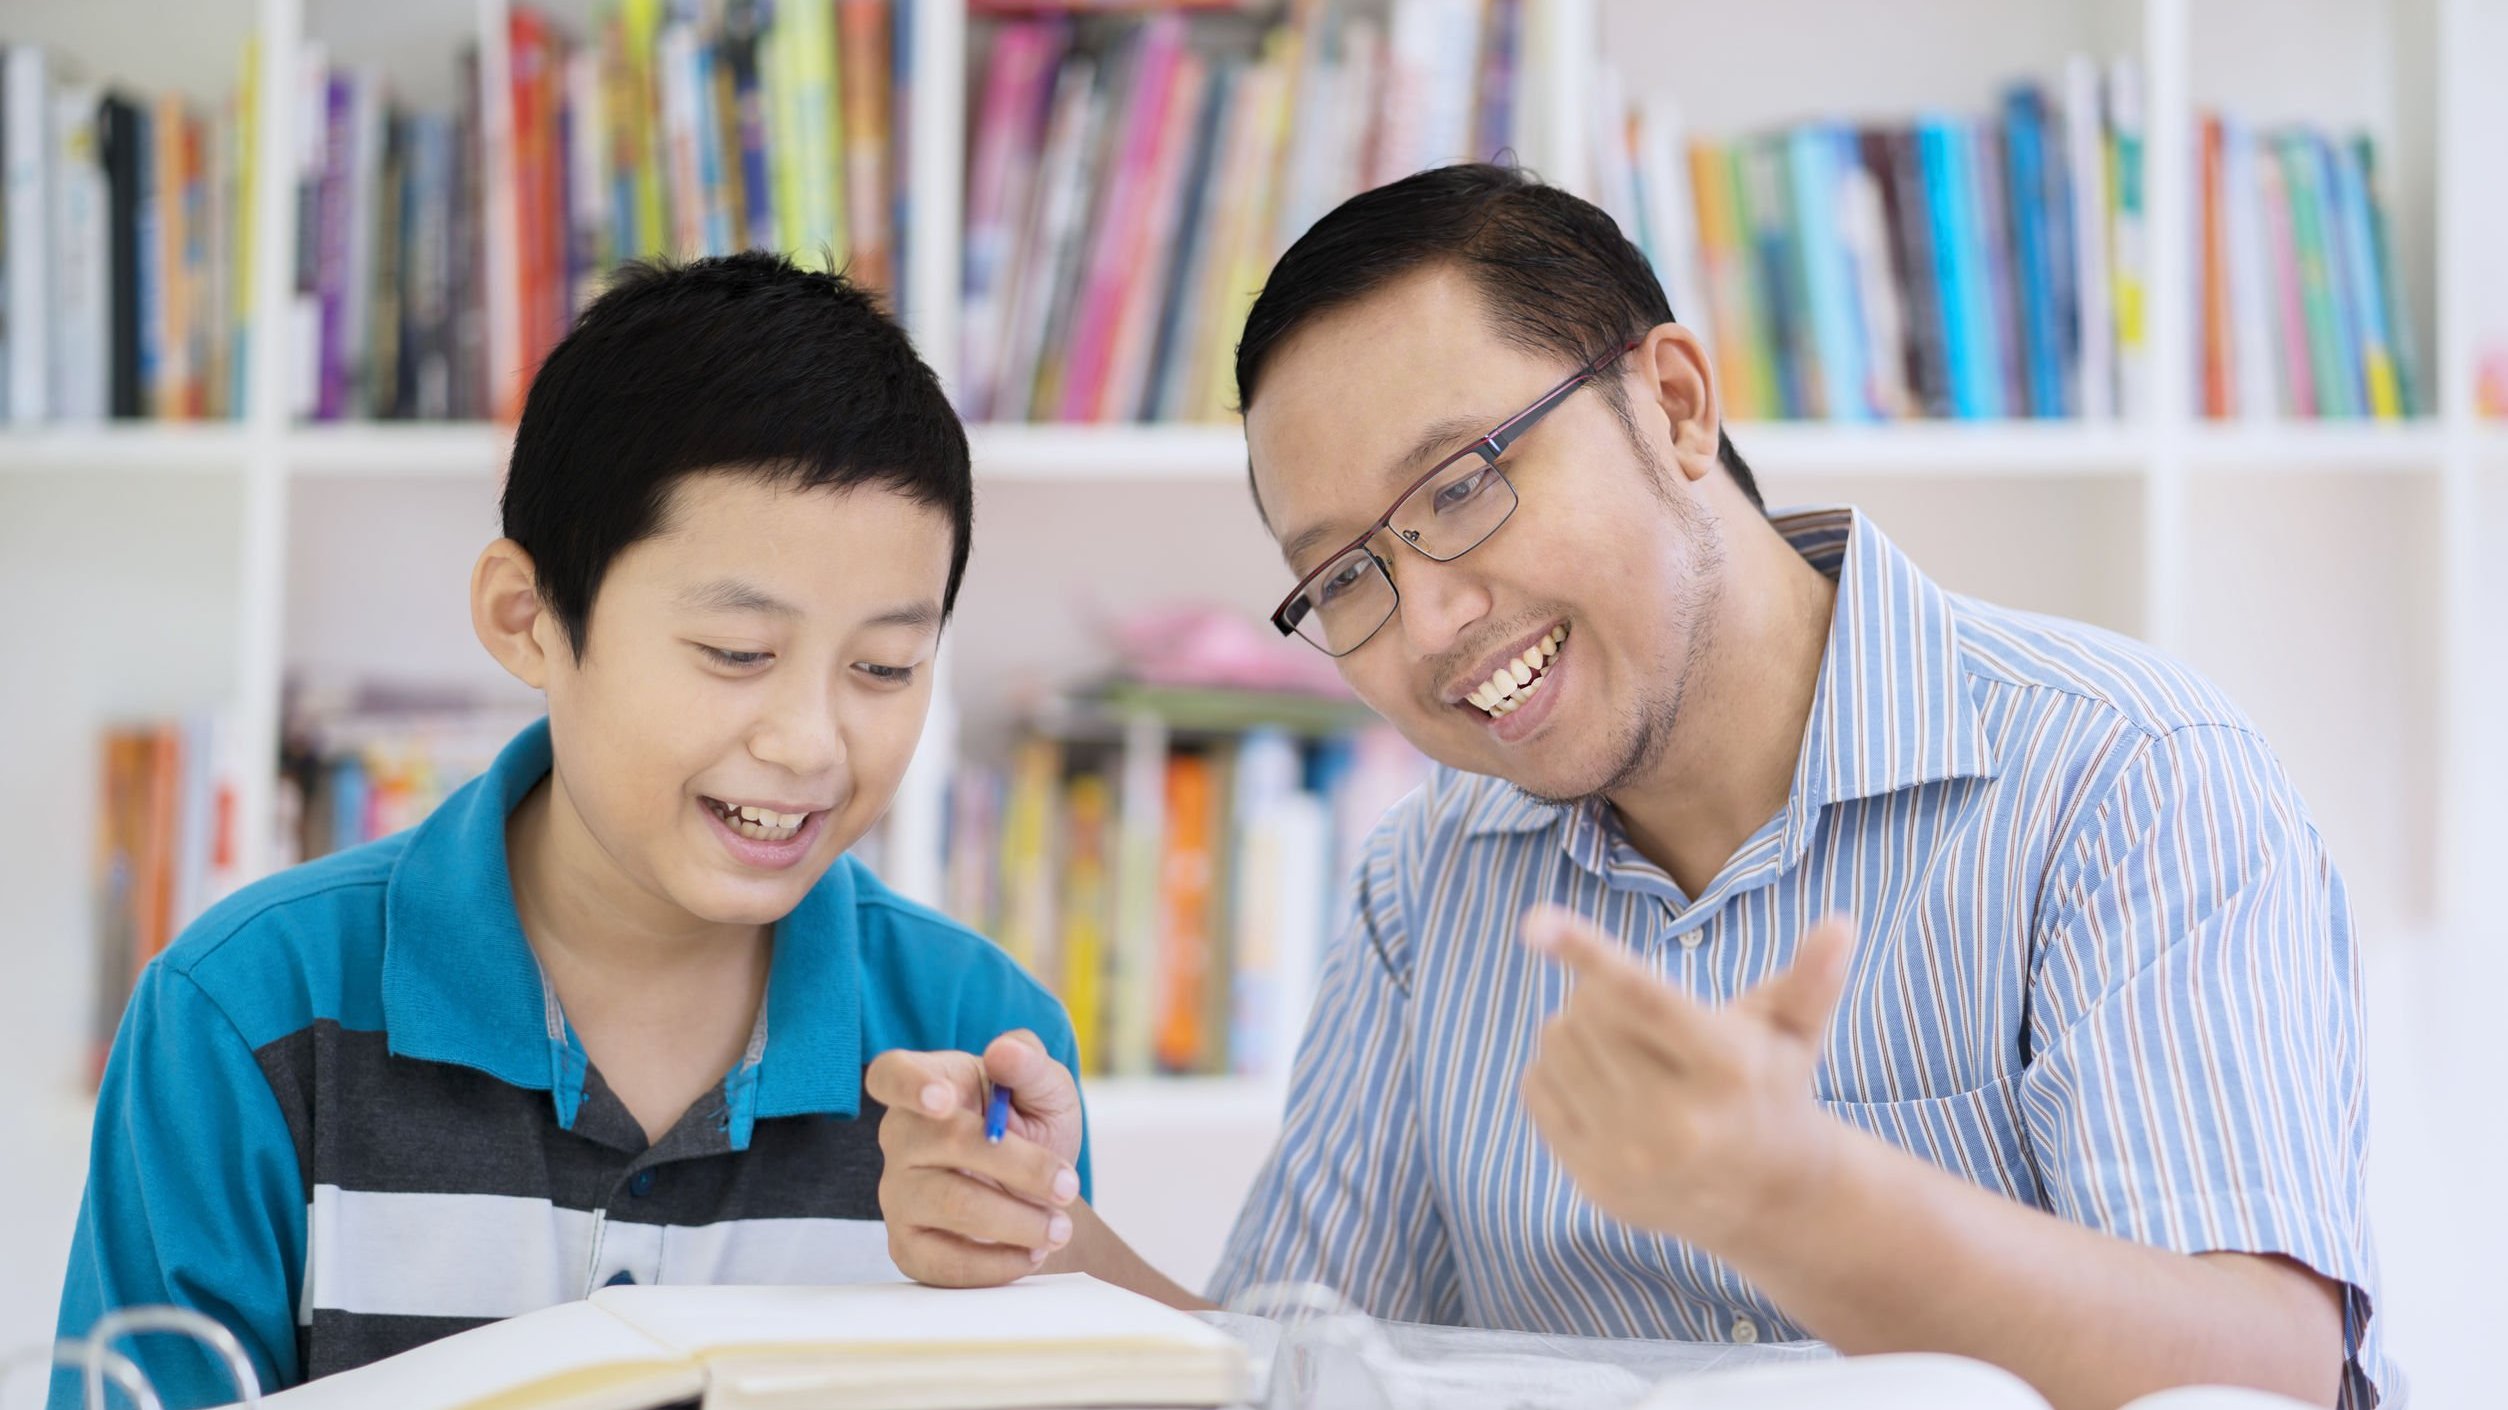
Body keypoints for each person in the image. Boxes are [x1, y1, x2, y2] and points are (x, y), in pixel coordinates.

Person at [873, 166, 2388, 1410]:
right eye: (1345, 576)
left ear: (1673, 404)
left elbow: (2268, 1370)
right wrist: (1057, 1250)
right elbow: (1288, 1368)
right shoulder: (1428, 882)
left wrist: (1810, 1200)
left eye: (1462, 484)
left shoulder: (2119, 774)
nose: (1435, 621)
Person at [52, 252, 1091, 1405]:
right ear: (527, 618)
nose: (811, 741)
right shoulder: (248, 1015)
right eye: (737, 653)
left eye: (885, 667)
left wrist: (1026, 1254)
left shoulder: (974, 1039)